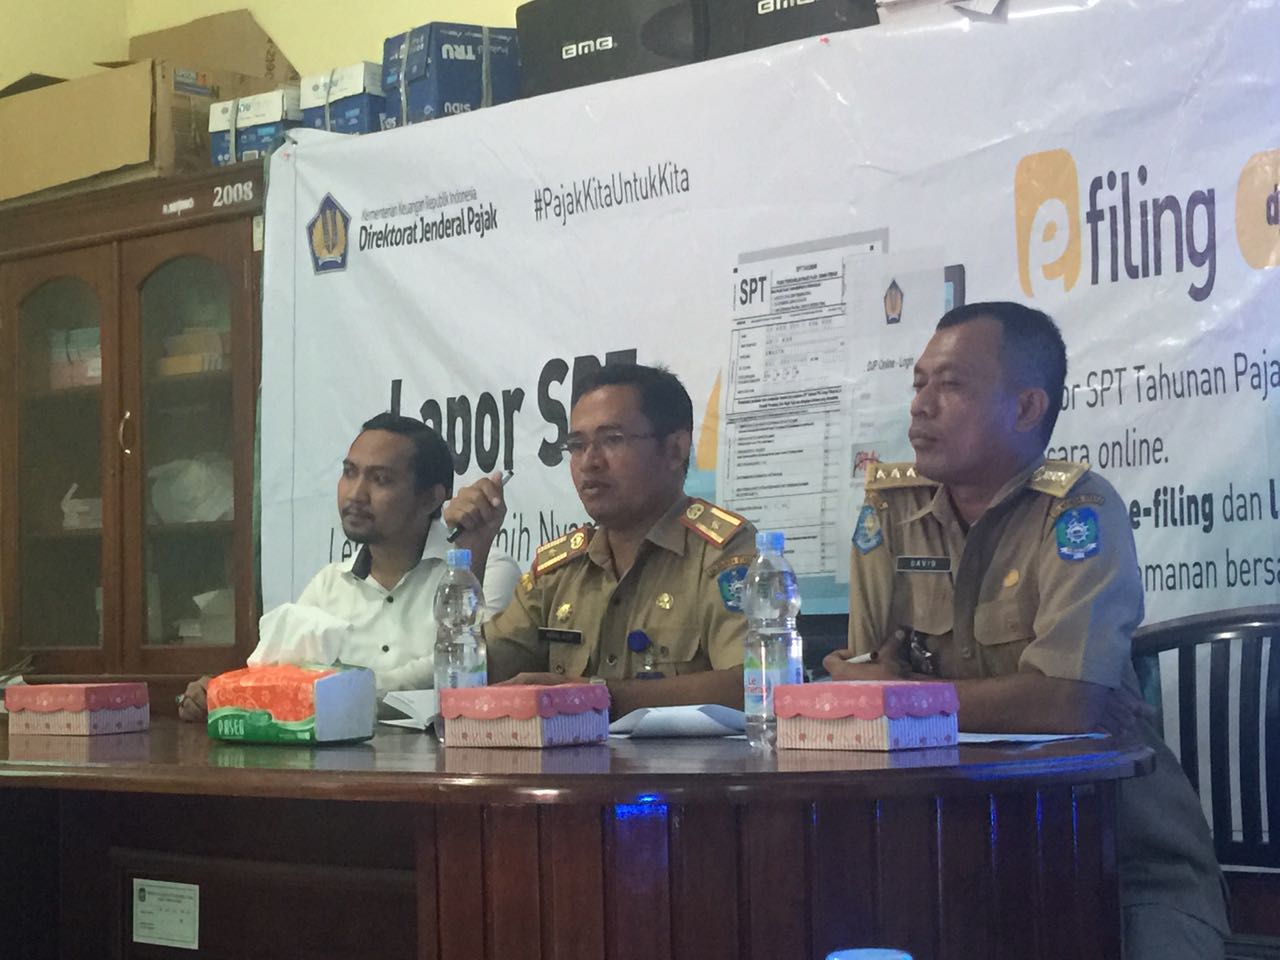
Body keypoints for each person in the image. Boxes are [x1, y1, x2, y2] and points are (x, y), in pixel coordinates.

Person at [824, 301, 1228, 959]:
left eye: (950, 384)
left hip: (1117, 855)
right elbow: (854, 699)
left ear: (1025, 408)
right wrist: (889, 694)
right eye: (918, 383)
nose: (920, 405)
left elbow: (1066, 703)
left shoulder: (1079, 511)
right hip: (954, 851)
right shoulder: (891, 512)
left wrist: (900, 695)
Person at [456, 363, 755, 719]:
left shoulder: (724, 553)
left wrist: (596, 697)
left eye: (612, 439)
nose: (589, 462)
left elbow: (753, 684)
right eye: (577, 445)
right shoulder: (557, 572)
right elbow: (474, 675)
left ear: (675, 450)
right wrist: (471, 553)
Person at [178, 413, 520, 720]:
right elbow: (283, 679)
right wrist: (223, 692)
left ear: (430, 497)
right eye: (349, 473)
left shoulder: (487, 568)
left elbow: (465, 672)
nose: (355, 494)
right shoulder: (328, 585)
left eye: (380, 479)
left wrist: (333, 691)